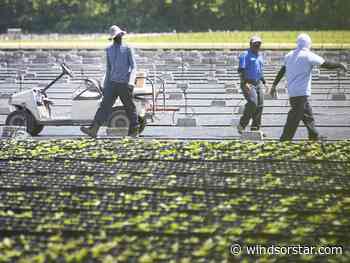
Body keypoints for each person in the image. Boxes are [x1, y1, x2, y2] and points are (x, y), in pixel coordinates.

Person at [271, 33, 347, 141]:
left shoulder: (289, 55)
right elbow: (325, 64)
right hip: (301, 92)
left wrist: (274, 85)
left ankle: (314, 135)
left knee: (308, 116)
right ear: (308, 44)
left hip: (293, 92)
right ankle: (284, 140)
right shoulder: (308, 55)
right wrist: (339, 65)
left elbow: (282, 71)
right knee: (294, 118)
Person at [81, 25, 139, 138]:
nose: (117, 38)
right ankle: (94, 129)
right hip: (111, 84)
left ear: (121, 35)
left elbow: (134, 67)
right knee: (104, 106)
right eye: (115, 37)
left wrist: (131, 83)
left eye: (118, 36)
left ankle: (134, 131)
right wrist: (105, 85)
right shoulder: (109, 50)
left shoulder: (127, 49)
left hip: (124, 84)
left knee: (129, 107)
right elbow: (108, 69)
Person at [236, 36, 266, 135]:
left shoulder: (260, 56)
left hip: (258, 83)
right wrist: (245, 83)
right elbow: (241, 70)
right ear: (251, 44)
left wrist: (265, 83)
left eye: (259, 44)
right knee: (253, 103)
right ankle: (242, 124)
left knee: (260, 105)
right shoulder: (245, 55)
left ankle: (255, 128)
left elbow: (259, 71)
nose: (257, 46)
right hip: (248, 82)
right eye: (255, 44)